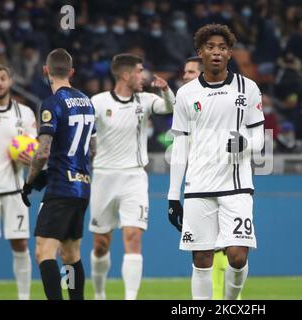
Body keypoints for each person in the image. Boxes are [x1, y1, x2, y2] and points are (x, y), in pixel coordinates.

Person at [168, 24, 265, 300]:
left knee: (236, 256)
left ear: (230, 53)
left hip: (236, 186)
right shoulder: (186, 94)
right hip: (198, 186)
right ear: (200, 52)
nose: (216, 52)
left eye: (222, 47)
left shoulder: (248, 88)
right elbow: (180, 145)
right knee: (201, 258)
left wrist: (245, 144)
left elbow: (261, 137)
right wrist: (174, 196)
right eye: (210, 47)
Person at [89, 53, 175, 300]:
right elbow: (84, 130)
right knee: (100, 244)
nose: (144, 75)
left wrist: (166, 89)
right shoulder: (98, 102)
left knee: (133, 237)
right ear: (126, 75)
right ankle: (99, 293)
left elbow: (169, 107)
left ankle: (130, 298)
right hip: (104, 178)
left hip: (134, 178)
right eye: (139, 70)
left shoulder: (146, 100)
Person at [21, 48, 96, 300]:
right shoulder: (87, 101)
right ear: (71, 72)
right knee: (71, 254)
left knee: (44, 252)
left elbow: (43, 151)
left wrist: (31, 180)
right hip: (83, 186)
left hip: (61, 187)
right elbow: (92, 148)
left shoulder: (52, 104)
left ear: (45, 71)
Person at [181, 55, 237, 300]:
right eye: (185, 72)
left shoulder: (227, 100)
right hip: (198, 183)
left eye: (191, 72)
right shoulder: (187, 101)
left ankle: (228, 299)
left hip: (226, 180)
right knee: (204, 251)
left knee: (229, 248)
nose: (186, 76)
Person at [0, 64, 35, 300]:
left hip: (14, 190)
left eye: (2, 78)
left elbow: (35, 148)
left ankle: (24, 297)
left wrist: (30, 158)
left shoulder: (25, 113)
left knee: (20, 245)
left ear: (10, 81)